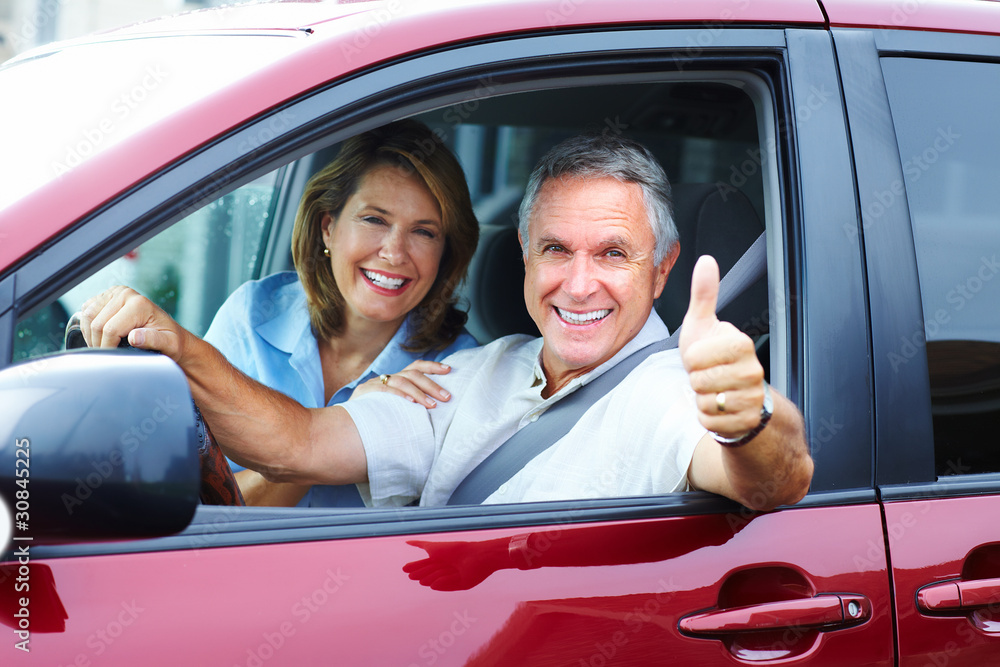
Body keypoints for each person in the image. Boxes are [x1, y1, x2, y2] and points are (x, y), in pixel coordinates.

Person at [81, 132, 812, 510]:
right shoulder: (472, 371)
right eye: (555, 248)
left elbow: (770, 480)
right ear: (522, 256)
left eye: (614, 253)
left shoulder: (673, 391)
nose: (579, 282)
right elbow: (297, 441)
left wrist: (749, 417)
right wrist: (174, 344)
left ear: (663, 269)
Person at [101, 120, 481, 507]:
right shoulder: (252, 315)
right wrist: (346, 422)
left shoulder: (460, 373)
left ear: (445, 252)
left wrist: (324, 438)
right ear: (328, 228)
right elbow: (196, 509)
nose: (395, 252)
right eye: (374, 219)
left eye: (424, 232)